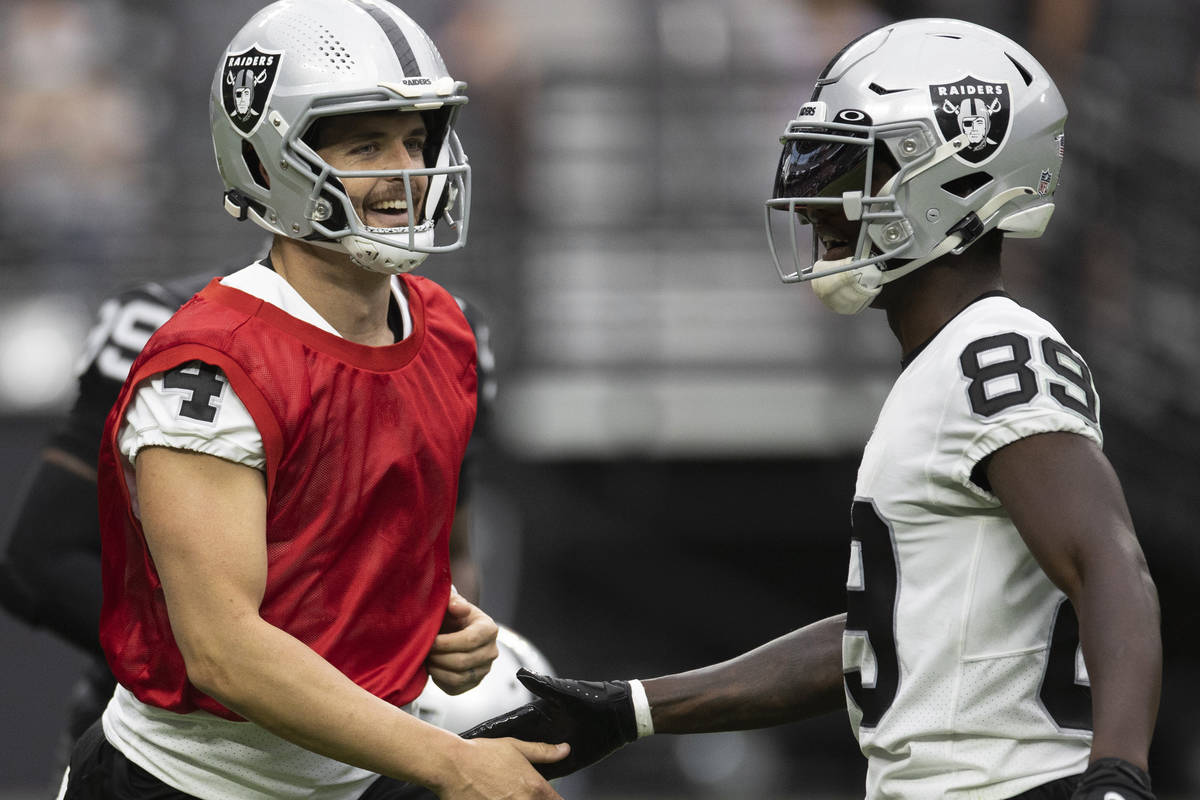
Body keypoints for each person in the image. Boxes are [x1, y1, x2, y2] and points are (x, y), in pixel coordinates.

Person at [462, 18, 1162, 800]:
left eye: (845, 167)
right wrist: (630, 709)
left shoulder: (993, 350)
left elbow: (1112, 566)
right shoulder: (947, 365)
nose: (811, 200)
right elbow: (883, 635)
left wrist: (1118, 775)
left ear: (947, 182)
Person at [53, 1, 566, 798]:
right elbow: (225, 651)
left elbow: (351, 553)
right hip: (191, 783)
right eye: (369, 144)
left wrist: (433, 623)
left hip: (359, 773)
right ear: (268, 159)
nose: (409, 168)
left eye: (418, 139)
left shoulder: (446, 329)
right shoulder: (212, 366)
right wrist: (449, 759)